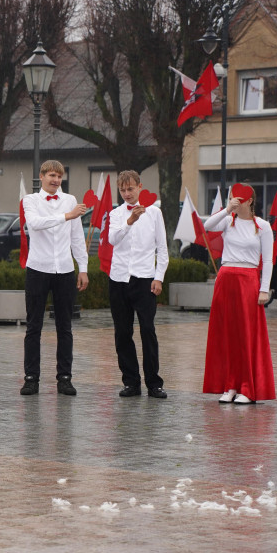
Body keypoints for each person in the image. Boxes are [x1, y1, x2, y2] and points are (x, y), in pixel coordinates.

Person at [20, 160, 89, 396]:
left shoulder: (70, 199)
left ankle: (65, 378)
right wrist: (65, 216)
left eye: (59, 176)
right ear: (41, 176)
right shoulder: (31, 200)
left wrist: (84, 267)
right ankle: (31, 378)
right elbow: (35, 224)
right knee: (33, 327)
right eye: (51, 175)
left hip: (65, 270)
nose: (56, 180)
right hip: (38, 268)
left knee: (65, 327)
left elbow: (77, 236)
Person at [202, 185, 276, 404]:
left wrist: (264, 288)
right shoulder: (228, 220)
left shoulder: (262, 226)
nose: (236, 201)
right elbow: (207, 226)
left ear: (250, 200)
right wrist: (226, 210)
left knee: (245, 335)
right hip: (225, 279)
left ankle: (247, 387)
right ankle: (230, 385)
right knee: (226, 334)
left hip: (248, 280)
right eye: (233, 197)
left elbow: (269, 260)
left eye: (240, 199)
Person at [106, 170, 169, 399]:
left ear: (140, 187)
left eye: (130, 189)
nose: (126, 194)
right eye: (122, 190)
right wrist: (129, 222)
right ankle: (131, 382)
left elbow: (162, 248)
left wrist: (159, 276)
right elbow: (112, 239)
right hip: (119, 278)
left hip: (144, 278)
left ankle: (154, 383)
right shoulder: (115, 214)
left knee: (147, 330)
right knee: (122, 332)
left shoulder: (154, 213)